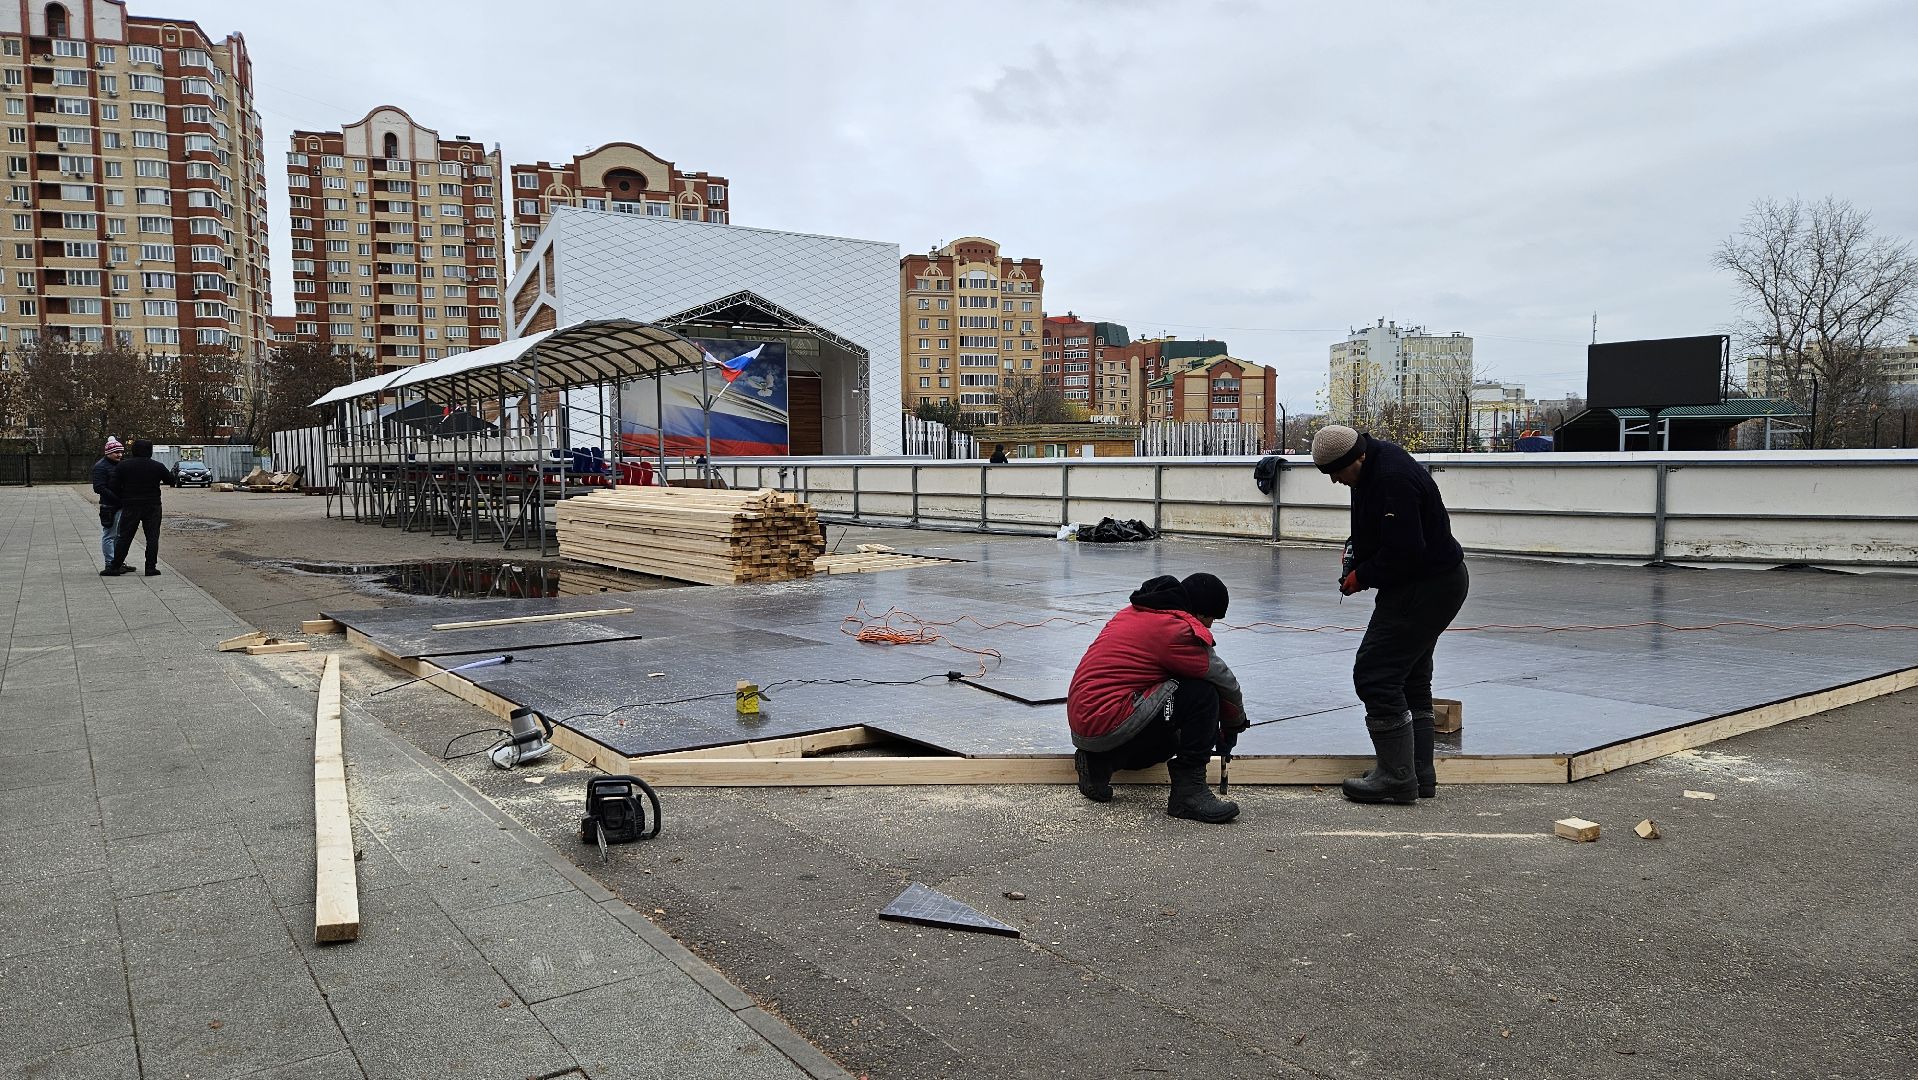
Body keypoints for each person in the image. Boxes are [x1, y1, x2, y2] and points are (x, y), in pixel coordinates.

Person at [1310, 424, 1469, 804]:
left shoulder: (1392, 477)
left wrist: (1361, 576)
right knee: (1410, 676)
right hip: (1429, 582)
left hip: (1426, 586)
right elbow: (1375, 527)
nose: (1334, 481)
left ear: (1357, 458)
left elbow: (1404, 552)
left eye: (1337, 473)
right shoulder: (1370, 468)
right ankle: (1417, 773)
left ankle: (1397, 777)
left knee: (1376, 673)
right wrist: (1355, 551)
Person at [1066, 572, 1248, 824]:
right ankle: (1189, 794)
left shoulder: (1137, 612)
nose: (1209, 626)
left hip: (1089, 722)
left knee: (1173, 740)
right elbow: (1223, 680)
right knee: (1201, 694)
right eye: (1210, 618)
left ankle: (1099, 763)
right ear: (1199, 611)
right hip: (1109, 718)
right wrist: (1234, 724)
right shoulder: (1176, 631)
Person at [103, 439, 180, 577]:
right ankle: (150, 568)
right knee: (152, 537)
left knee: (124, 537)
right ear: (149, 451)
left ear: (133, 450)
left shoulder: (123, 466)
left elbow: (113, 486)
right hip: (153, 505)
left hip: (131, 505)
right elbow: (171, 480)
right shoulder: (157, 466)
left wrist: (124, 495)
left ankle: (115, 567)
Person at [91, 436, 124, 565]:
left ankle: (118, 561)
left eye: (121, 452)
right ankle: (110, 562)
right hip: (109, 505)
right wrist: (117, 499)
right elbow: (99, 487)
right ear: (109, 452)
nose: (119, 455)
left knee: (118, 535)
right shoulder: (101, 467)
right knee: (110, 535)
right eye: (116, 452)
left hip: (120, 504)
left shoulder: (119, 464)